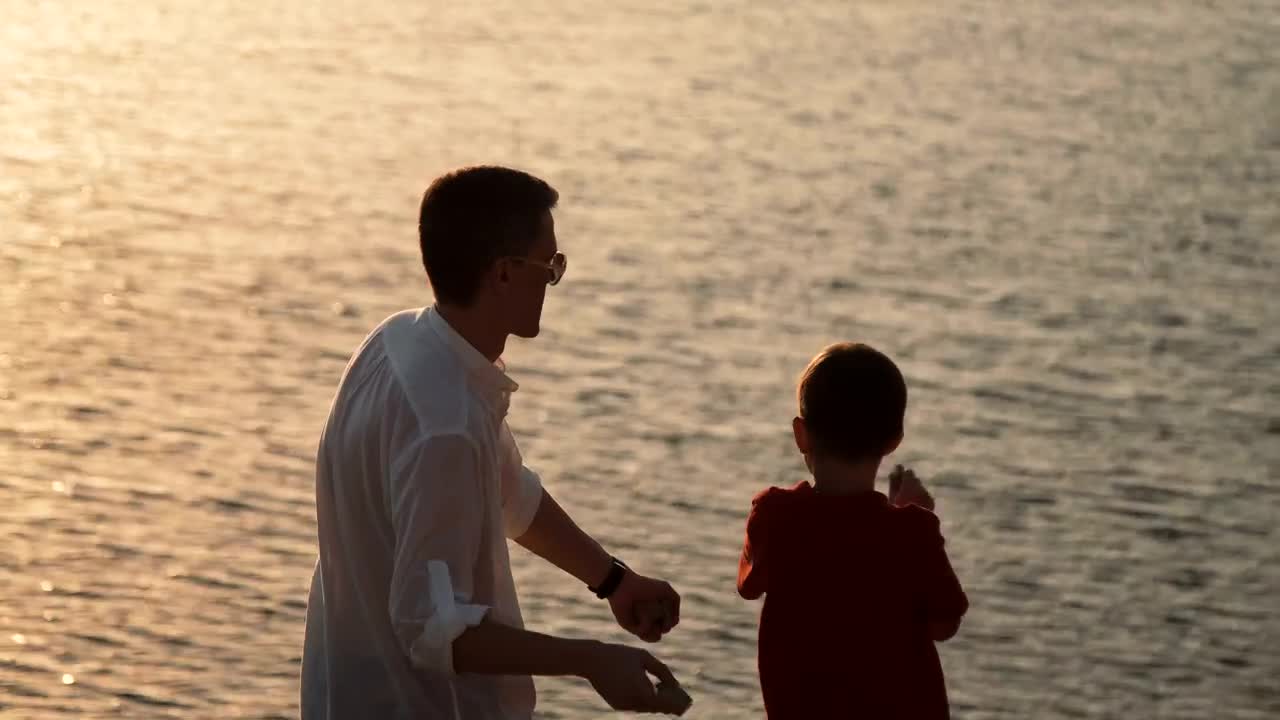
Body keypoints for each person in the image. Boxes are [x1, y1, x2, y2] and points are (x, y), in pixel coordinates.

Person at [301, 165, 686, 718]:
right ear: (504, 274)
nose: (553, 280)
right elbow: (433, 630)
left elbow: (509, 495)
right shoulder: (446, 428)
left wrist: (613, 581)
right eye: (549, 265)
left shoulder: (398, 343)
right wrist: (591, 659)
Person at [737, 342, 968, 718]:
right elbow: (944, 623)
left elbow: (748, 585)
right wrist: (913, 515)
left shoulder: (775, 515)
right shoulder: (912, 532)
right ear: (894, 441)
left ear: (801, 435)